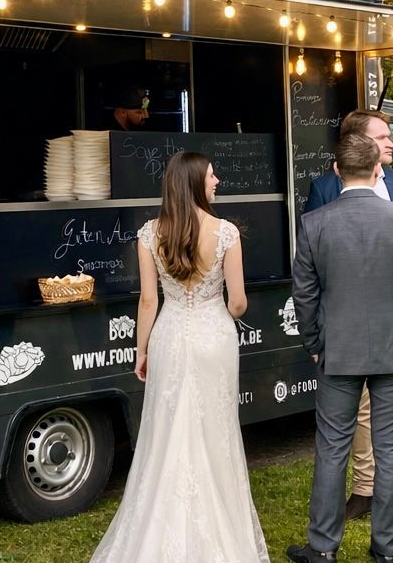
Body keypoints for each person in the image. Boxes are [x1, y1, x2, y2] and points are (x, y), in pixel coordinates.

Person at [89, 151, 270, 563]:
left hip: (168, 335)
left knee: (167, 432)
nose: (217, 180)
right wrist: (222, 310)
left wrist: (142, 349)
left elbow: (149, 301)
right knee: (215, 431)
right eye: (211, 175)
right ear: (193, 182)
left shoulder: (149, 235)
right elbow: (238, 302)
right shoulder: (225, 233)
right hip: (213, 336)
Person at [287, 133, 393, 563]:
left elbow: (305, 295)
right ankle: (385, 551)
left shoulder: (315, 224)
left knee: (332, 448)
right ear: (377, 170)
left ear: (337, 171)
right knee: (390, 449)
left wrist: (316, 343)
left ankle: (323, 548)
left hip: (338, 350)